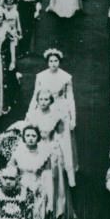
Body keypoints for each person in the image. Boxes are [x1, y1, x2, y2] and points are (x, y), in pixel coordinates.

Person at [7, 121, 66, 219]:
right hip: (21, 192)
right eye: (27, 135)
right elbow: (10, 173)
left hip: (38, 192)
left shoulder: (44, 155)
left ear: (38, 137)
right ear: (24, 137)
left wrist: (48, 200)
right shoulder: (18, 153)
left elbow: (47, 179)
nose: (30, 138)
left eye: (33, 135)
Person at [29, 49, 77, 188]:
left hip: (61, 110)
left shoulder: (66, 77)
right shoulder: (41, 76)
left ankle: (69, 174)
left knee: (64, 141)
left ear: (59, 62)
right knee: (44, 139)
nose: (53, 64)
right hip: (44, 110)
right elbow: (35, 96)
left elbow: (71, 98)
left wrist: (73, 118)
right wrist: (31, 111)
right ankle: (41, 169)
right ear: (47, 62)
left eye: (56, 61)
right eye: (51, 61)